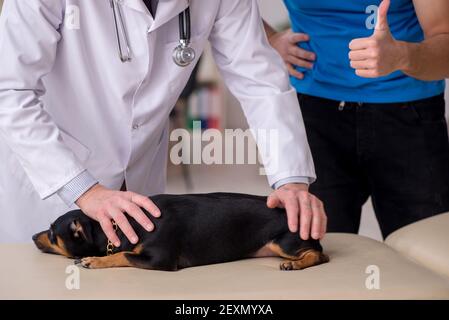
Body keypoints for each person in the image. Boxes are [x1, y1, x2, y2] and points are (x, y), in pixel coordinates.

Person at [0, 0, 326, 243]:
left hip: (137, 182)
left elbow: (259, 80)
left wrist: (290, 179)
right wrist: (84, 190)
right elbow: (9, 90)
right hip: (50, 177)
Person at [264, 0, 449, 238]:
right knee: (317, 251)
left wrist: (401, 55)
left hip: (409, 114)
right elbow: (223, 11)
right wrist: (269, 39)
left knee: (427, 250)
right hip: (314, 112)